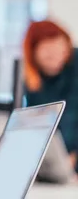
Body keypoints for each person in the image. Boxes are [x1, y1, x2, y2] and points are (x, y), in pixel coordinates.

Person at [23, 20, 78, 173]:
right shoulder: (32, 82)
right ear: (33, 52)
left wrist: (72, 157)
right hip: (57, 165)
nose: (56, 56)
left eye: (60, 49)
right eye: (48, 51)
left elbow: (72, 115)